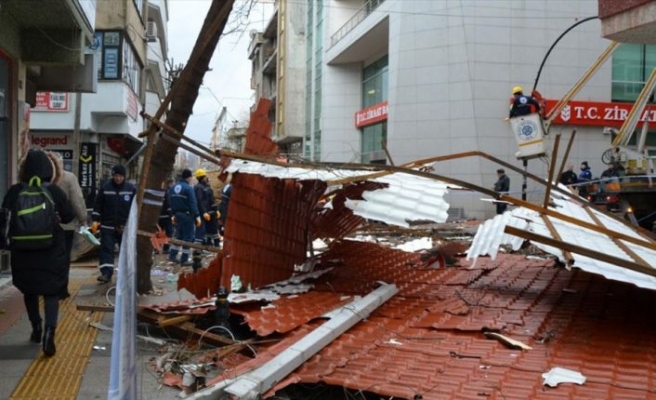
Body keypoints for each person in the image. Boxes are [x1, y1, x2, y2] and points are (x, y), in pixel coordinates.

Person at [2, 149, 74, 356]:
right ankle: (50, 332)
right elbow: (69, 217)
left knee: (29, 290)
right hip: (51, 250)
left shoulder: (15, 191)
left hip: (22, 251)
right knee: (51, 292)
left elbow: (4, 218)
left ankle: (36, 327)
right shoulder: (54, 191)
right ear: (50, 170)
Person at [48, 152, 88, 299]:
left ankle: (48, 287)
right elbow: (77, 200)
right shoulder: (69, 177)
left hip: (45, 227)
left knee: (48, 258)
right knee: (63, 259)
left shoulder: (42, 180)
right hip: (66, 226)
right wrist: (83, 219)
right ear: (61, 164)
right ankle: (61, 290)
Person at [91, 165, 137, 283]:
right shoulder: (105, 187)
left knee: (126, 250)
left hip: (124, 227)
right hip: (108, 225)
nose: (118, 178)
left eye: (120, 176)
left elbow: (135, 207)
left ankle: (127, 274)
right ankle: (106, 273)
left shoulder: (131, 189)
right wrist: (95, 219)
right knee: (106, 249)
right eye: (116, 176)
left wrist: (132, 223)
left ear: (124, 177)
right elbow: (98, 204)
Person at [168, 169, 200, 265]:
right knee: (188, 237)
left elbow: (170, 201)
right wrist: (197, 215)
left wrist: (173, 214)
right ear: (189, 177)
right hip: (187, 215)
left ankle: (172, 256)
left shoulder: (173, 187)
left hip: (177, 215)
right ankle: (184, 259)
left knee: (178, 235)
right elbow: (192, 203)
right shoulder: (188, 188)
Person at [157, 178, 174, 253]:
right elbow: (169, 204)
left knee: (161, 232)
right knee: (168, 232)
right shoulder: (167, 192)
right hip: (165, 216)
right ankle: (164, 248)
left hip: (161, 216)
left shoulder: (167, 191)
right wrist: (171, 215)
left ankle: (159, 248)